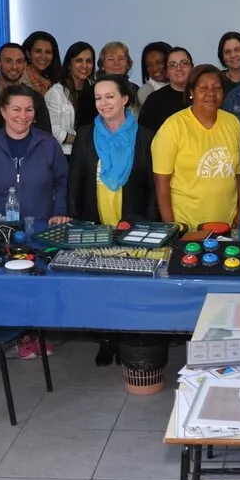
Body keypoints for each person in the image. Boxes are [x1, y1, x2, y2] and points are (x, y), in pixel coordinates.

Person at [68, 74, 158, 365]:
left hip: (134, 224)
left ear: (125, 99)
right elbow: (75, 182)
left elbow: (153, 187)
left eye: (110, 96)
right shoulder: (85, 135)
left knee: (131, 286)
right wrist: (76, 221)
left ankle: (131, 339)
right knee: (100, 287)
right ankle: (106, 340)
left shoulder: (145, 136)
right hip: (95, 224)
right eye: (98, 98)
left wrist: (148, 224)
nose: (103, 103)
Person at [0, 84, 70, 228]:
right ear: (3, 111)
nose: (23, 116)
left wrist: (60, 212)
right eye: (16, 109)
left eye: (29, 110)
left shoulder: (49, 144)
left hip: (40, 228)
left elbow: (62, 182)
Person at [153, 65, 240, 228]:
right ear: (191, 92)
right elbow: (161, 183)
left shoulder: (233, 123)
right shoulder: (173, 127)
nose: (211, 93)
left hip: (228, 225)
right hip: (187, 227)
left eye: (217, 88)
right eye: (203, 88)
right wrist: (172, 228)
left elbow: (239, 175)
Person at [0, 43, 53, 135]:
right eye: (8, 61)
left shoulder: (35, 97)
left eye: (19, 61)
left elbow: (46, 136)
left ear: (25, 64)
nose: (14, 66)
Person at [45, 42, 97, 158]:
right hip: (64, 155)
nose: (84, 65)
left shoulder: (97, 90)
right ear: (69, 65)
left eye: (89, 61)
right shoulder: (56, 92)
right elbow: (52, 129)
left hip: (91, 154)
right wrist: (81, 141)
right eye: (79, 60)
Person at [139, 47, 193, 134]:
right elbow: (144, 138)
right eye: (172, 65)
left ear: (192, 67)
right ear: (167, 72)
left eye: (184, 63)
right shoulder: (154, 100)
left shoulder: (203, 95)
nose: (179, 68)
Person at [97, 41, 139, 110]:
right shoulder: (93, 91)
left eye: (121, 58)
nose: (116, 63)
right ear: (102, 65)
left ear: (128, 64)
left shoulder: (135, 90)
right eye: (110, 59)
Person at [21, 31, 61, 95]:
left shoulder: (53, 80)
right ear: (28, 54)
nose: (43, 57)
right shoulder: (19, 77)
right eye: (38, 51)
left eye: (48, 52)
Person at [136, 41, 171, 106]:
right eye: (149, 65)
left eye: (159, 63)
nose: (155, 68)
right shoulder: (145, 91)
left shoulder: (185, 85)